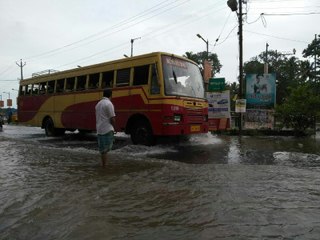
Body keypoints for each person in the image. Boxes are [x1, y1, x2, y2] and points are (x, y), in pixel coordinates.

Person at [95, 88, 116, 167]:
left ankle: (104, 164)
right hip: (107, 129)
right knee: (106, 149)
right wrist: (115, 127)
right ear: (111, 95)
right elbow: (112, 118)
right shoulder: (109, 104)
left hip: (99, 129)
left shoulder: (98, 104)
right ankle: (105, 165)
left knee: (103, 150)